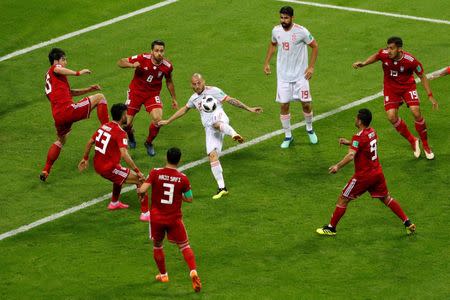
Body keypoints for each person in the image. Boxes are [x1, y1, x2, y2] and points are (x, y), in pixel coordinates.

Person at [158, 73, 263, 199]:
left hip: (220, 118)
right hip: (209, 128)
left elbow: (231, 100)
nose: (197, 86)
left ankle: (234, 133)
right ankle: (222, 188)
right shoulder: (193, 99)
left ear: (203, 81)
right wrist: (168, 121)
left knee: (216, 124)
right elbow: (184, 109)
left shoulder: (214, 91)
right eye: (194, 84)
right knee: (212, 155)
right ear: (191, 85)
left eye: (199, 83)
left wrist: (249, 108)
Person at [316, 109, 416, 236]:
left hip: (363, 176)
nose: (355, 119)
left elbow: (351, 155)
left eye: (356, 118)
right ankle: (407, 223)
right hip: (377, 173)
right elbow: (363, 144)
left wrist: (337, 166)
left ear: (360, 121)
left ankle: (331, 228)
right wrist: (349, 142)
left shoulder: (358, 136)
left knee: (343, 198)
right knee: (386, 198)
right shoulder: (372, 132)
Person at [352, 36, 438, 160]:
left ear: (399, 49)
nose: (389, 51)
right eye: (388, 47)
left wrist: (430, 95)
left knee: (416, 112)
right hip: (391, 89)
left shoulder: (411, 60)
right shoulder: (384, 54)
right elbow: (377, 56)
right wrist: (364, 63)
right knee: (391, 116)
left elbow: (422, 76)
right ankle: (413, 140)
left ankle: (426, 145)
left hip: (407, 87)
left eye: (392, 48)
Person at [40, 48, 110, 181]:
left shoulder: (50, 78)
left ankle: (46, 170)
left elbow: (70, 92)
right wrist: (78, 73)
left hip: (58, 115)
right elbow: (57, 69)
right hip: (68, 110)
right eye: (64, 59)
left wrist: (89, 89)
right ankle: (109, 130)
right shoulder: (55, 69)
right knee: (100, 97)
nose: (66, 62)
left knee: (61, 140)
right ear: (56, 61)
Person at [138, 147, 201, 292]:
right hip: (174, 219)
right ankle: (193, 271)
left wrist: (141, 190)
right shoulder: (183, 178)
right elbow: (190, 198)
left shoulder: (155, 172)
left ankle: (163, 275)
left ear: (166, 158)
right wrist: (181, 197)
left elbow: (142, 190)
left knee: (158, 245)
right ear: (179, 160)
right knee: (184, 246)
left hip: (157, 218)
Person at [78, 103, 150, 221]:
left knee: (120, 174)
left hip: (99, 165)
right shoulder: (120, 133)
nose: (127, 116)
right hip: (108, 168)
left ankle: (114, 202)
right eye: (126, 114)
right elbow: (124, 154)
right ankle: (145, 213)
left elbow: (90, 142)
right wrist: (138, 171)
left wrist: (85, 158)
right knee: (139, 180)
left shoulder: (104, 126)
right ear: (122, 116)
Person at [263, 5, 319, 148]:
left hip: (301, 76)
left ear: (292, 18)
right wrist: (267, 63)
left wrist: (311, 67)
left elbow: (315, 46)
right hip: (283, 76)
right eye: (281, 17)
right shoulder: (276, 30)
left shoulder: (301, 31)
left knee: (306, 104)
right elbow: (273, 44)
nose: (283, 20)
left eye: (286, 18)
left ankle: (309, 129)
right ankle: (288, 136)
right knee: (284, 105)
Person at [117, 40, 178, 156]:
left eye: (161, 51)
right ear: (152, 51)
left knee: (158, 120)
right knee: (126, 124)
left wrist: (174, 98)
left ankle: (149, 143)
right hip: (135, 93)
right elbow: (120, 62)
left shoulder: (167, 66)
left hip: (152, 95)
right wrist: (131, 65)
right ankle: (131, 136)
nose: (159, 53)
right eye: (156, 51)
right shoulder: (142, 58)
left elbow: (169, 81)